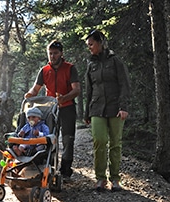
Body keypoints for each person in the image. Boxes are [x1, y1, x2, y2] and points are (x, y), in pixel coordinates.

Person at [24, 40, 81, 180]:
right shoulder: (44, 71)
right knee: (49, 138)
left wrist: (64, 98)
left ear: (61, 53)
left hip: (67, 108)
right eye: (50, 53)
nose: (52, 56)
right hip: (50, 110)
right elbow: (35, 88)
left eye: (55, 53)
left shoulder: (70, 68)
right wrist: (30, 95)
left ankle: (66, 170)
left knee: (68, 140)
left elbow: (77, 90)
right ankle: (47, 166)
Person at [84, 30, 130, 191]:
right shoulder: (91, 64)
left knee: (115, 143)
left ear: (100, 43)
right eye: (87, 45)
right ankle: (100, 179)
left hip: (115, 108)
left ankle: (115, 179)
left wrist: (123, 107)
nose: (89, 47)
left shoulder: (115, 61)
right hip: (96, 108)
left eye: (91, 44)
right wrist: (86, 113)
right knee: (100, 141)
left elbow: (124, 84)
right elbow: (88, 89)